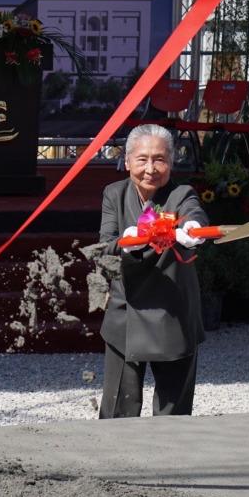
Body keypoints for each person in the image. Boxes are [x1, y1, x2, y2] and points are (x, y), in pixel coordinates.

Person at [98, 124, 208, 418]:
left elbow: (194, 215)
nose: (151, 168)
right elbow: (105, 246)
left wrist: (191, 230)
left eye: (159, 159)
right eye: (142, 159)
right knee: (118, 407)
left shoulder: (182, 193)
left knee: (173, 410)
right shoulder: (114, 194)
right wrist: (126, 245)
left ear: (171, 162)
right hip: (126, 310)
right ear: (127, 160)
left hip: (173, 311)